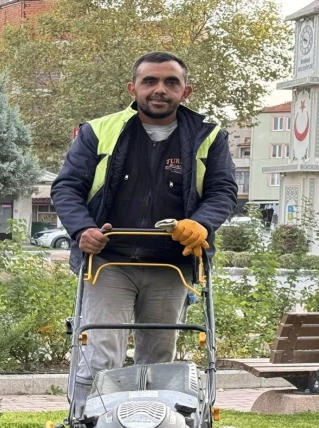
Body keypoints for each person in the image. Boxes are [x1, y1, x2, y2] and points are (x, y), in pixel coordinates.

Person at [51, 51, 238, 404]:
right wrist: (81, 230)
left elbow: (223, 190)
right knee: (100, 353)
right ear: (132, 88)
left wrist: (200, 224)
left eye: (171, 82)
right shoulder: (98, 131)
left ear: (186, 92)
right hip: (108, 260)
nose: (159, 89)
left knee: (158, 358)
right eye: (149, 81)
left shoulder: (209, 137)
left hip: (171, 262)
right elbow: (66, 187)